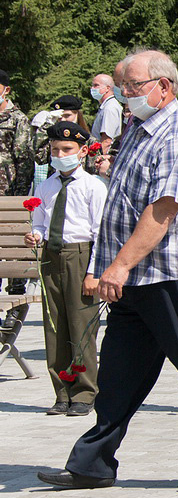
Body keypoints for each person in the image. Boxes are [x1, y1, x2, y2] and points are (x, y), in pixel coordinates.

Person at [37, 49, 178, 494]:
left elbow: (162, 210)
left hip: (170, 272)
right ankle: (93, 462)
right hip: (134, 275)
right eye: (122, 87)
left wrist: (117, 266)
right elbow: (117, 205)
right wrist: (105, 267)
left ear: (163, 87)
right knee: (119, 374)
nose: (125, 95)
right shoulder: (138, 128)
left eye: (133, 86)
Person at [24, 121, 107, 417]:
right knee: (55, 325)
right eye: (55, 149)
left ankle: (84, 390)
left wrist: (93, 273)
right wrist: (36, 234)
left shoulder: (92, 187)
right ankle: (61, 390)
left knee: (80, 324)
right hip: (52, 256)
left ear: (83, 151)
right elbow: (41, 221)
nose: (60, 154)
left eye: (67, 149)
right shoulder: (47, 185)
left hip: (80, 256)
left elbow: (100, 232)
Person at [0, 68, 35, 327]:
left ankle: (16, 302)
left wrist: (20, 200)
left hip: (9, 196)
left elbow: (24, 160)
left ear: (6, 90)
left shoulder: (17, 119)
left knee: (14, 252)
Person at [89, 74, 123, 151]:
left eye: (96, 85)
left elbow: (106, 141)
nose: (92, 88)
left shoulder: (110, 108)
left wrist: (96, 159)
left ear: (107, 88)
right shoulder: (105, 106)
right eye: (92, 85)